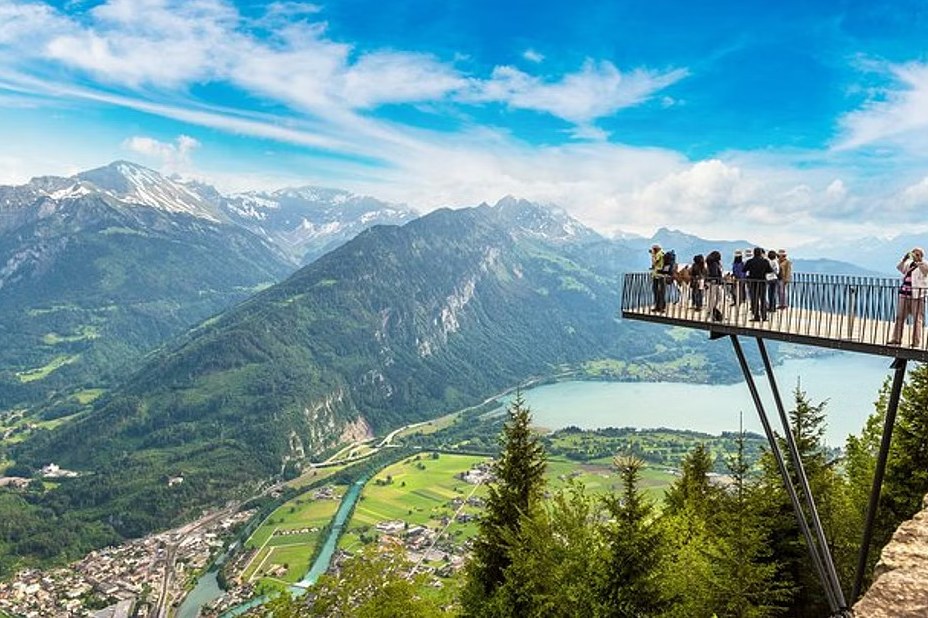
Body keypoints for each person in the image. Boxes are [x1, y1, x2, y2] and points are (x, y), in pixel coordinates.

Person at [888, 247, 928, 347]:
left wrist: (919, 262)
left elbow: (925, 272)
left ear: (922, 256)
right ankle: (896, 339)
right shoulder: (909, 263)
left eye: (918, 254)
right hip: (904, 294)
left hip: (917, 296)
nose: (915, 256)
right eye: (914, 254)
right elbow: (899, 267)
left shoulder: (925, 264)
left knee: (917, 319)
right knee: (899, 317)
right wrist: (904, 259)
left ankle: (915, 342)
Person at [744, 247, 773, 321]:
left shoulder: (750, 261)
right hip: (762, 282)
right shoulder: (765, 261)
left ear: (754, 253)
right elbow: (770, 270)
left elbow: (744, 269)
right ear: (761, 253)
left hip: (753, 282)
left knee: (754, 299)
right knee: (763, 298)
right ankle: (764, 316)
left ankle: (756, 316)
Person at [706, 250, 724, 321]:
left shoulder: (712, 263)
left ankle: (712, 310)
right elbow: (714, 273)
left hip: (714, 282)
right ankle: (712, 310)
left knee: (713, 297)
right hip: (714, 282)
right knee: (714, 297)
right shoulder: (714, 264)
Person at [650, 244, 666, 313]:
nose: (652, 251)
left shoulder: (659, 254)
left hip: (658, 275)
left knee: (657, 291)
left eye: (653, 249)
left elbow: (654, 262)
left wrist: (653, 255)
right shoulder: (662, 253)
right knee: (661, 291)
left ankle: (659, 307)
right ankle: (660, 306)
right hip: (661, 274)